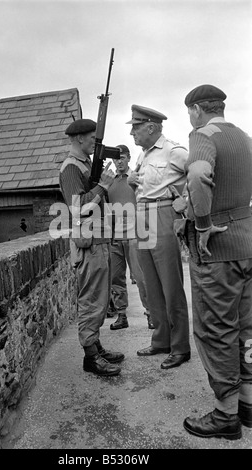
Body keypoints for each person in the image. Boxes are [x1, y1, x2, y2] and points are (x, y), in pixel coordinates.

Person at [181, 84, 252, 440]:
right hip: (248, 244)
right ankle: (248, 403)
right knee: (248, 327)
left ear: (196, 110)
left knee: (216, 330)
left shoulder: (202, 135)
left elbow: (196, 175)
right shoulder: (244, 136)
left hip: (218, 251)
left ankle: (226, 415)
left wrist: (204, 224)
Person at [126, 104, 191, 369]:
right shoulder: (142, 155)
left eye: (136, 127)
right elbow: (144, 185)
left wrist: (186, 201)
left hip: (163, 215)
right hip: (143, 216)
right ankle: (161, 339)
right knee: (150, 284)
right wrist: (132, 181)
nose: (132, 133)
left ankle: (180, 347)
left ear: (151, 127)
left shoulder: (174, 151)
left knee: (171, 285)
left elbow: (201, 173)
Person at [59, 118, 125, 376]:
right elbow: (78, 207)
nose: (95, 144)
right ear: (78, 139)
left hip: (99, 238)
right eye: (92, 139)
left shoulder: (85, 164)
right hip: (89, 242)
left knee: (100, 298)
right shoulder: (70, 168)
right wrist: (102, 186)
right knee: (91, 301)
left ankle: (95, 346)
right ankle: (90, 357)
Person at [107, 144, 153, 331]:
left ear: (128, 158)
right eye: (116, 159)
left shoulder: (136, 178)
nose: (119, 161)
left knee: (141, 276)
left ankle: (151, 314)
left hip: (135, 234)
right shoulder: (108, 182)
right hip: (115, 236)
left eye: (122, 158)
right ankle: (121, 315)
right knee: (116, 278)